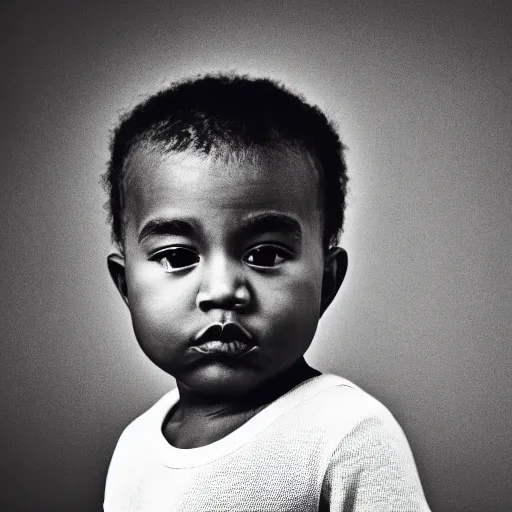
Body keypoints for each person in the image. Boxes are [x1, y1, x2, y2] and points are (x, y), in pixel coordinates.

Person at [102, 73, 431, 511]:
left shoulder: (345, 435)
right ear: (126, 287)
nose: (222, 291)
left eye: (266, 254)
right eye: (178, 257)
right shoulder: (133, 448)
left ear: (327, 282)